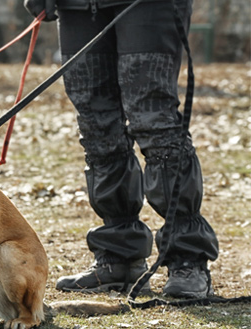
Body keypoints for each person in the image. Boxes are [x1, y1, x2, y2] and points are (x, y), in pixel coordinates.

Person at [22, 0, 219, 298]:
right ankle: (118, 256)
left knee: (153, 119)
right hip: (77, 7)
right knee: (97, 126)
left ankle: (187, 258)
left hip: (149, 6)